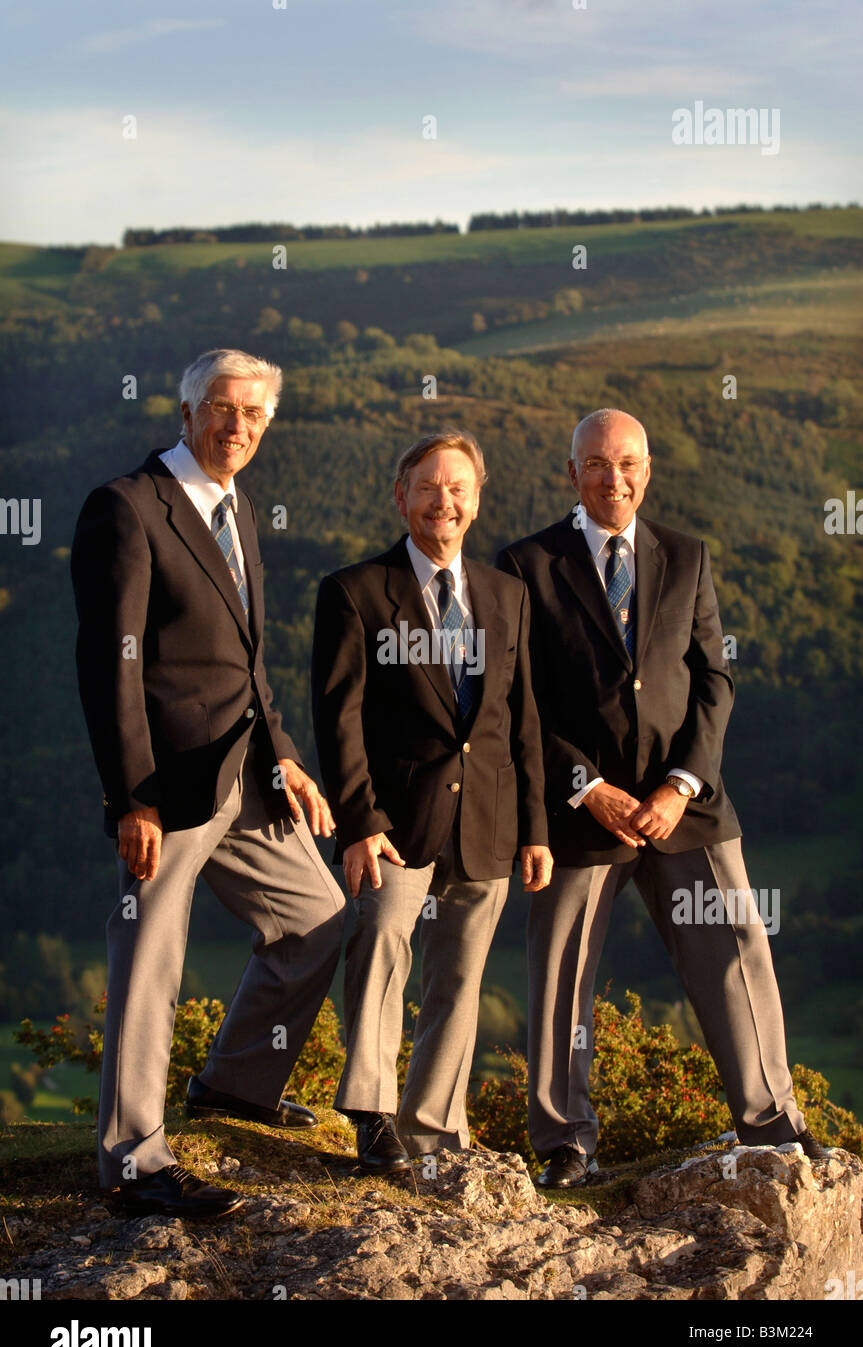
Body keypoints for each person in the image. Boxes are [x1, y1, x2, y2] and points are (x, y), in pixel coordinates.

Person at [498, 407, 823, 1189]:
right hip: (581, 806)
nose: (616, 479)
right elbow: (517, 698)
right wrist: (587, 787)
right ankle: (564, 1144)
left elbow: (713, 679)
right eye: (599, 465)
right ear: (571, 472)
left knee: (736, 956)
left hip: (686, 803)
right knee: (562, 975)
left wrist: (680, 784)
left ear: (648, 469)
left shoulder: (685, 555)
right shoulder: (524, 564)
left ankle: (770, 1125)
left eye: (630, 464)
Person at [71, 348, 345, 1218]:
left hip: (249, 777)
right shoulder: (126, 506)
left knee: (316, 920)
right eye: (223, 410)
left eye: (255, 416)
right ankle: (132, 1164)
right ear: (186, 413)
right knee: (150, 960)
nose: (239, 428)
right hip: (168, 786)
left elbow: (247, 662)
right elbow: (108, 665)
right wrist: (130, 797)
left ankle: (231, 1085)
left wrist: (288, 755)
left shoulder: (237, 508)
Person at [311, 429, 551, 1173]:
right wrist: (358, 822)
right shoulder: (354, 592)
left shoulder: (507, 594)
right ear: (400, 497)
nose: (441, 502)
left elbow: (523, 720)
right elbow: (337, 717)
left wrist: (534, 827)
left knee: (459, 977)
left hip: (487, 821)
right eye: (426, 487)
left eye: (456, 489)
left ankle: (434, 1128)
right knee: (382, 945)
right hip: (394, 823)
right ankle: (372, 1113)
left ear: (476, 502)